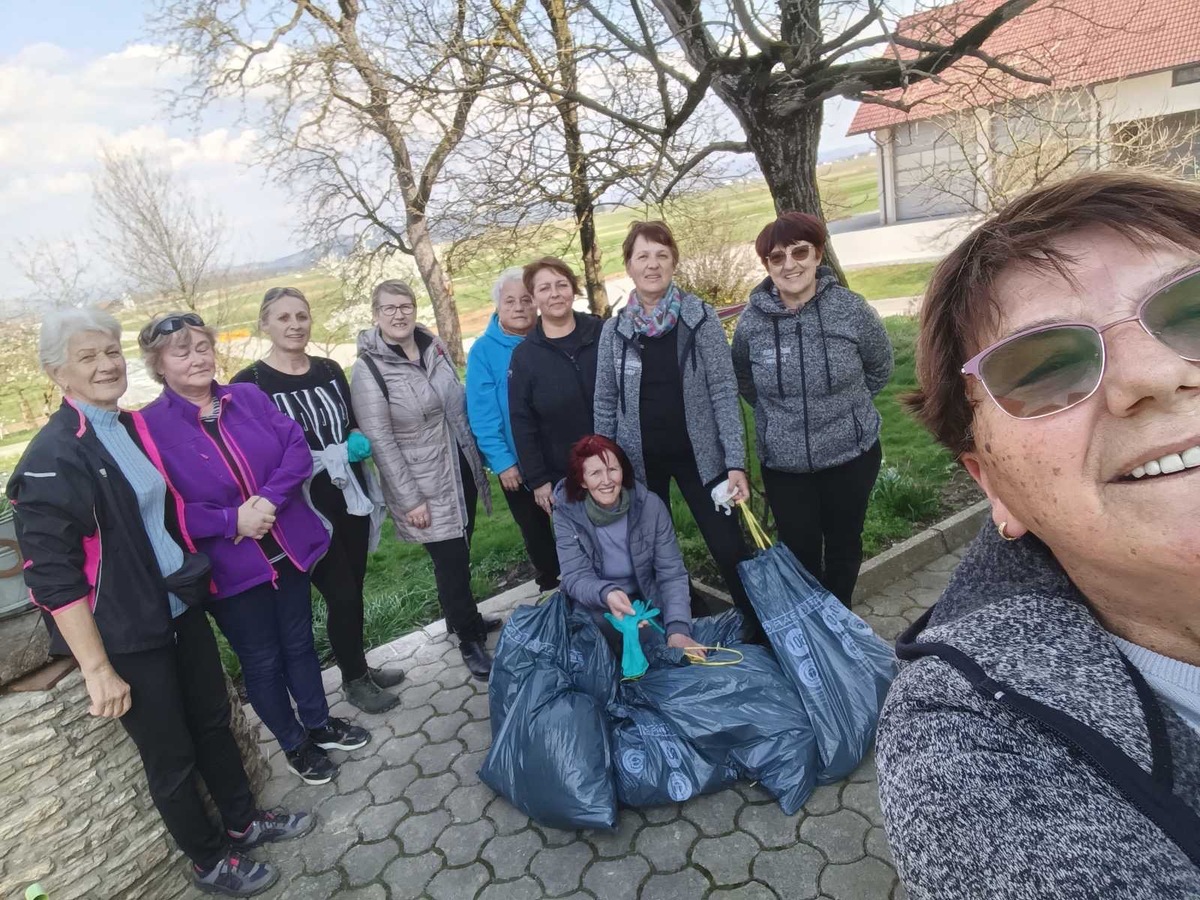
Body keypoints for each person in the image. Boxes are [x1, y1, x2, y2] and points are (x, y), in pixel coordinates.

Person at [877, 171, 1200, 897]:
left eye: (1193, 309)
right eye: (1046, 368)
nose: (1154, 375)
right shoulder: (974, 750)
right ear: (993, 485)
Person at [8, 308, 314, 897]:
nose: (106, 365)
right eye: (87, 357)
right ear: (57, 373)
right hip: (128, 631)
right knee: (171, 756)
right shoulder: (51, 460)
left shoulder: (126, 426)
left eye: (110, 351)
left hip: (178, 606)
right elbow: (52, 579)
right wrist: (97, 669)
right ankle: (209, 861)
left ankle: (244, 822)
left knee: (213, 724)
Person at [137, 311, 370, 788]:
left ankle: (319, 723)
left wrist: (267, 499)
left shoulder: (246, 397)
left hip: (288, 548)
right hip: (232, 566)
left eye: (203, 347)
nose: (197, 358)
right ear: (158, 365)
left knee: (300, 643)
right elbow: (162, 509)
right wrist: (230, 520)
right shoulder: (148, 428)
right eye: (181, 352)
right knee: (262, 659)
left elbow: (296, 449)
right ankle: (294, 743)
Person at [232, 286, 404, 714]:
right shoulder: (249, 384)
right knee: (340, 592)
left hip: (348, 494)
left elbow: (349, 422)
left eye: (301, 316)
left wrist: (355, 437)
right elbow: (250, 451)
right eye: (283, 318)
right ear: (264, 325)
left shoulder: (328, 369)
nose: (295, 325)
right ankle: (354, 681)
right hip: (300, 505)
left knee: (354, 587)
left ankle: (358, 665)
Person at [594, 220, 754, 627]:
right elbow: (605, 400)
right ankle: (680, 629)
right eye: (643, 256)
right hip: (639, 463)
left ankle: (757, 626)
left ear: (674, 262)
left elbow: (723, 390)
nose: (653, 265)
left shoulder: (700, 318)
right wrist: (605, 467)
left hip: (702, 459)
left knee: (728, 546)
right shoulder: (615, 331)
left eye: (662, 255)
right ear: (629, 266)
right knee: (652, 554)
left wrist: (735, 461)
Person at [731, 212, 893, 607]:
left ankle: (839, 620)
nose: (790, 264)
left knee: (844, 545)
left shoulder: (851, 309)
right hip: (785, 467)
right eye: (777, 257)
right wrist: (781, 419)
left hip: (850, 457)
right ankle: (811, 625)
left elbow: (880, 367)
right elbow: (745, 381)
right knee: (800, 552)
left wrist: (844, 408)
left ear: (818, 254)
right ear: (767, 265)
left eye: (799, 252)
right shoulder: (752, 324)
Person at [350, 280, 498, 680]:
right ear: (376, 314)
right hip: (421, 482)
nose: (399, 314)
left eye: (405, 306)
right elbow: (380, 441)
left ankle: (460, 616)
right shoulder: (369, 369)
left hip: (459, 468)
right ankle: (469, 639)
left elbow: (456, 405)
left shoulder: (433, 347)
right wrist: (410, 498)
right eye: (389, 308)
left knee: (460, 549)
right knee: (450, 561)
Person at [553, 435, 705, 659]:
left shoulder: (650, 506)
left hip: (644, 598)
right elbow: (575, 576)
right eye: (595, 473)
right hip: (597, 601)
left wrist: (678, 629)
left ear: (622, 472)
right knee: (605, 638)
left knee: (664, 644)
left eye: (612, 470)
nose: (607, 480)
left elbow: (671, 572)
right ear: (582, 481)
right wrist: (607, 593)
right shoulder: (567, 514)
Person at [466, 269, 560, 592]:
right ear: (498, 306)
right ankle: (552, 587)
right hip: (517, 463)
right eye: (510, 301)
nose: (519, 307)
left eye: (526, 299)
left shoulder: (550, 336)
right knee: (536, 531)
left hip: (559, 453)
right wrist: (502, 461)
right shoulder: (483, 351)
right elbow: (482, 413)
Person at [507, 256, 603, 517]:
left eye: (561, 285)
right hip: (565, 475)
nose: (555, 294)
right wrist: (538, 479)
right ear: (533, 298)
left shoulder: (602, 333)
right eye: (544, 288)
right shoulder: (525, 357)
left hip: (617, 465)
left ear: (573, 289)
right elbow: (522, 421)